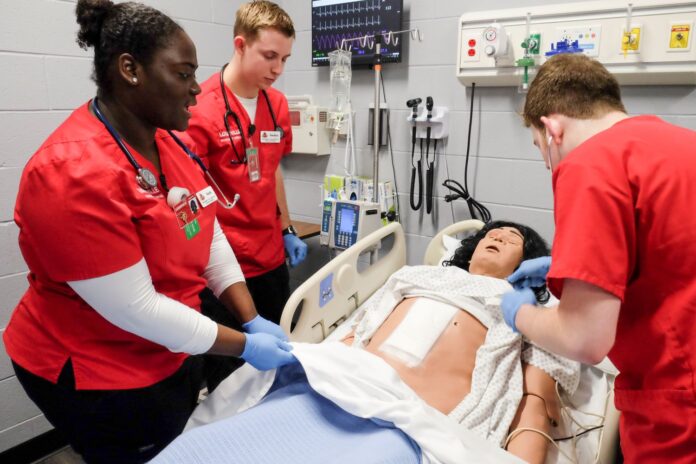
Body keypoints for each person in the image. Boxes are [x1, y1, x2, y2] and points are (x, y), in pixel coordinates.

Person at [3, 1, 295, 462]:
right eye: (182, 74)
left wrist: (250, 315)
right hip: (96, 369)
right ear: (129, 70)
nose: (196, 89)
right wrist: (244, 345)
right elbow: (138, 309)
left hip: (166, 350)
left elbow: (207, 231)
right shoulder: (70, 175)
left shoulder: (168, 142)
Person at [152, 221, 579, 464]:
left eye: (513, 239)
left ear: (528, 265)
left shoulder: (526, 309)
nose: (500, 235)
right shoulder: (416, 275)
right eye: (494, 231)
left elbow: (534, 403)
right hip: (343, 387)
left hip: (411, 421)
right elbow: (356, 329)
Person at [501, 53, 696, 463]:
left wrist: (519, 313)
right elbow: (670, 256)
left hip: (680, 409)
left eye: (540, 149)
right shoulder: (682, 145)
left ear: (552, 129)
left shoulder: (590, 163)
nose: (548, 164)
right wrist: (566, 268)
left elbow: (583, 339)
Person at [184, 1, 307, 333]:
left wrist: (287, 230)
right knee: (232, 373)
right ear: (240, 45)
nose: (278, 68)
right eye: (270, 56)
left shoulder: (277, 103)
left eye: (284, 59)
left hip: (270, 258)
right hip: (225, 268)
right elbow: (193, 196)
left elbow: (272, 169)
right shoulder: (199, 108)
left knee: (277, 359)